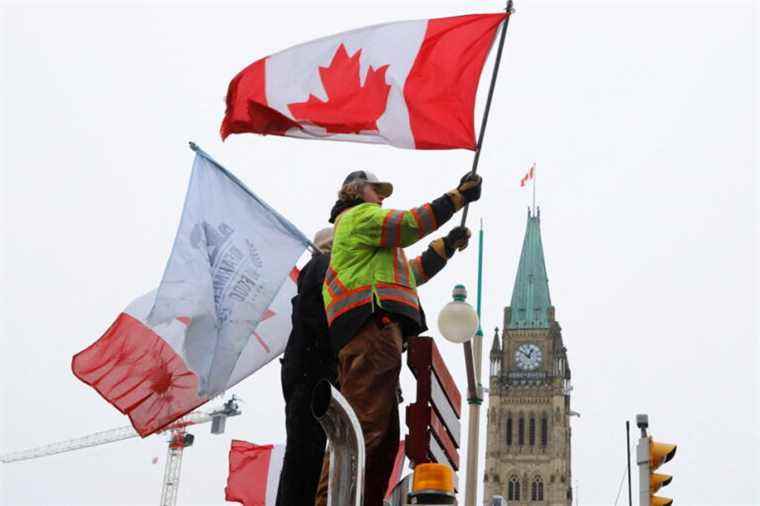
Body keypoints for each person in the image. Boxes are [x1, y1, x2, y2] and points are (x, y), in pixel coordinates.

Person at [314, 170, 482, 506]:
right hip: (372, 327)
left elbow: (410, 275)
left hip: (372, 331)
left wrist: (446, 247)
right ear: (355, 192)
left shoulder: (370, 252)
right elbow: (407, 225)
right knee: (363, 427)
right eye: (376, 191)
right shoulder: (359, 217)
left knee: (383, 437)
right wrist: (456, 197)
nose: (381, 197)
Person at [276, 227, 336, 506]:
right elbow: (320, 319)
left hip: (304, 369)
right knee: (305, 455)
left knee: (305, 453)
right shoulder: (324, 266)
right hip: (313, 371)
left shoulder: (314, 268)